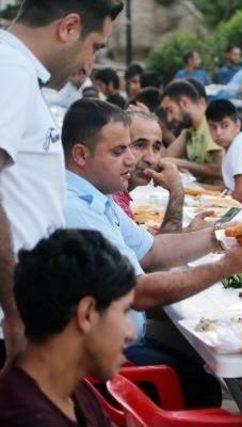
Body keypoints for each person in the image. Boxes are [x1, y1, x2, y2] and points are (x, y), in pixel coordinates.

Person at [62, 98, 242, 406]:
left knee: (204, 361)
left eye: (131, 149)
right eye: (119, 151)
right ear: (81, 155)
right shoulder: (75, 208)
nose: (133, 160)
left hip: (123, 339)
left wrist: (225, 236)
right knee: (203, 382)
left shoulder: (96, 195)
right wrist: (225, 266)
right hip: (103, 360)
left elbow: (152, 251)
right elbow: (137, 291)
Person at [0, 0, 123, 371]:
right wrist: (16, 314)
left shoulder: (18, 71)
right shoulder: (11, 71)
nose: (90, 64)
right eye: (95, 46)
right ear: (69, 27)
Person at [0, 229, 136, 426]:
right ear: (87, 313)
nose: (131, 333)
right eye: (125, 312)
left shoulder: (73, 391)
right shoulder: (26, 418)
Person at [112, 110, 187, 233]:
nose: (150, 159)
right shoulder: (112, 199)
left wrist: (188, 232)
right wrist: (176, 191)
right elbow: (161, 251)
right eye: (140, 145)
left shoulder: (119, 194)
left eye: (157, 147)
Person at [161, 80, 223, 184]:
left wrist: (182, 164)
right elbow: (165, 158)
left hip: (219, 197)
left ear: (184, 103)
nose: (169, 118)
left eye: (170, 110)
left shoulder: (210, 125)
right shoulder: (189, 130)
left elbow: (220, 170)